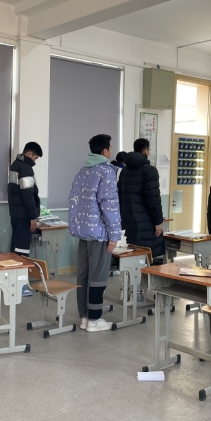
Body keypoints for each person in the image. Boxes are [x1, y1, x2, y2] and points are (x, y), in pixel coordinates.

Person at [69, 134, 121, 332]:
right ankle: (94, 319)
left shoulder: (83, 171)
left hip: (83, 233)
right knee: (98, 277)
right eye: (110, 148)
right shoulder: (106, 171)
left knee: (84, 275)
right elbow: (109, 205)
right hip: (99, 233)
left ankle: (85, 316)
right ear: (105, 151)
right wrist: (114, 235)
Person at [118, 138, 164, 296]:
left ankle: (125, 290)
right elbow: (153, 199)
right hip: (144, 223)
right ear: (146, 151)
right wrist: (158, 222)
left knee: (128, 257)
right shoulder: (149, 171)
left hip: (126, 222)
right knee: (143, 257)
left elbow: (119, 196)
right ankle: (138, 292)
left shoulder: (124, 171)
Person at [7, 142, 43, 297]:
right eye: (35, 158)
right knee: (22, 251)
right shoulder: (26, 168)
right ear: (29, 154)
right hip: (24, 216)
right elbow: (28, 196)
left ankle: (12, 283)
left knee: (16, 249)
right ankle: (20, 286)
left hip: (16, 214)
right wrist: (33, 217)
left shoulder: (15, 165)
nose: (35, 161)